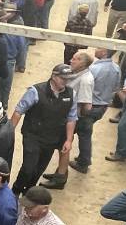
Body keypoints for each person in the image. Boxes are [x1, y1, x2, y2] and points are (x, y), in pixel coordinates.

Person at [9, 64, 77, 196]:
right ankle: (16, 191)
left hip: (52, 138)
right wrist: (9, 132)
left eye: (68, 79)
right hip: (32, 136)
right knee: (29, 167)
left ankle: (29, 192)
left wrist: (69, 140)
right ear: (54, 76)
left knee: (39, 169)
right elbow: (19, 111)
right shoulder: (35, 91)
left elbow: (71, 118)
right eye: (63, 78)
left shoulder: (71, 94)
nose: (65, 81)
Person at [40, 51, 94, 190]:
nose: (71, 60)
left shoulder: (85, 80)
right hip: (66, 116)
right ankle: (60, 173)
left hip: (71, 118)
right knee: (61, 147)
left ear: (83, 63)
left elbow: (86, 105)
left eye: (75, 59)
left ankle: (60, 178)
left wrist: (73, 119)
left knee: (63, 146)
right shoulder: (76, 75)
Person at [68, 46, 120, 174]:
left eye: (99, 48)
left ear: (104, 52)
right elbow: (116, 87)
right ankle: (83, 159)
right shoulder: (116, 68)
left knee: (83, 133)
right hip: (102, 106)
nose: (96, 50)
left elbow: (86, 89)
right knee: (85, 132)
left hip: (90, 106)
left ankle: (83, 163)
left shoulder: (93, 70)